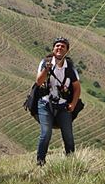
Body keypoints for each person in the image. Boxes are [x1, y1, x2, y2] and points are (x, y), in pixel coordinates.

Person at [34, 37, 81, 166]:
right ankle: (40, 163)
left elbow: (77, 88)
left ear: (67, 50)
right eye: (57, 46)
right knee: (46, 133)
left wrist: (73, 104)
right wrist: (46, 69)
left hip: (63, 105)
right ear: (53, 48)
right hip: (45, 103)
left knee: (68, 135)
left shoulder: (70, 67)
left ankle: (71, 163)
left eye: (63, 46)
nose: (59, 48)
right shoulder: (45, 62)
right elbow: (38, 82)